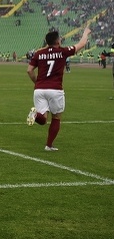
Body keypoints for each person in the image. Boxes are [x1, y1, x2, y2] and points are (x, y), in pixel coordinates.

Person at [25, 23, 92, 152]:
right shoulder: (62, 52)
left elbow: (29, 70)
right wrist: (85, 33)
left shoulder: (39, 53)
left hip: (39, 90)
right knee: (56, 118)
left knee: (43, 119)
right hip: (55, 89)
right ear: (57, 41)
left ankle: (35, 115)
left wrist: (37, 82)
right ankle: (48, 145)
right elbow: (81, 44)